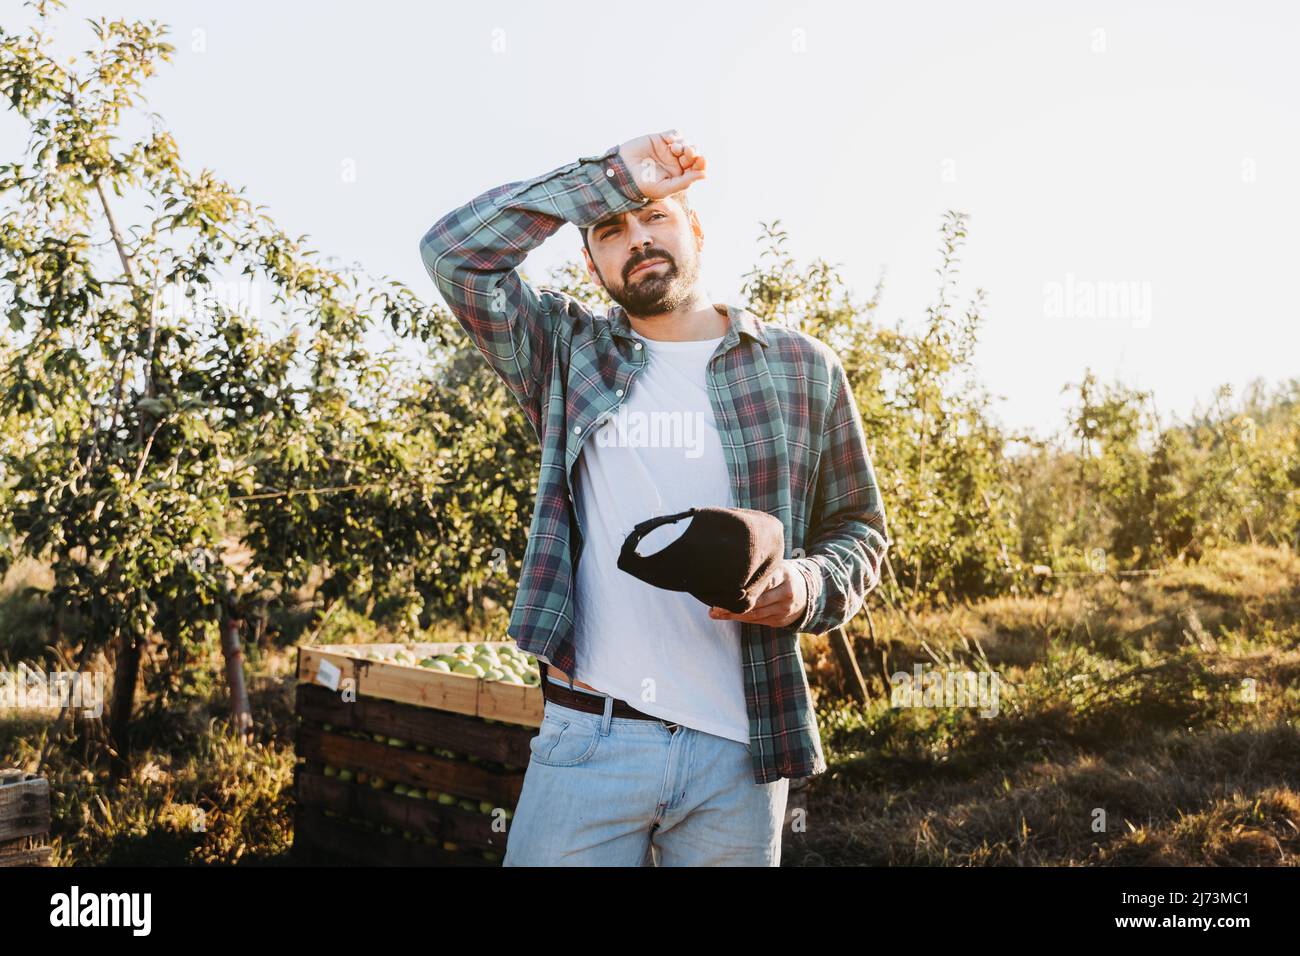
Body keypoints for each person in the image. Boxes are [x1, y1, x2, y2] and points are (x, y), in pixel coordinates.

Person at [418, 130, 890, 866]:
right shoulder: (562, 351)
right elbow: (454, 254)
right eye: (611, 229)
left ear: (696, 229)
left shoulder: (804, 368)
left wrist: (803, 585)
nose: (636, 239)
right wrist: (615, 177)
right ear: (591, 260)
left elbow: (859, 528)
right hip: (589, 739)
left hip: (739, 750)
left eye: (656, 217)